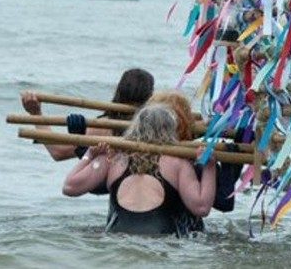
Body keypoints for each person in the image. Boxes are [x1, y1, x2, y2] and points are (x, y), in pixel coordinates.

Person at [62, 104, 217, 236]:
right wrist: (209, 167)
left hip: (116, 237)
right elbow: (201, 207)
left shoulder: (113, 158)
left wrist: (89, 155)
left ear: (134, 127)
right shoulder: (178, 164)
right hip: (163, 241)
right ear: (171, 130)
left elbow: (70, 187)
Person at [148, 89, 244, 221]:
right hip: (185, 233)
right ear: (186, 123)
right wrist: (231, 158)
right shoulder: (190, 162)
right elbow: (224, 202)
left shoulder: (134, 155)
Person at [21, 67, 155, 161]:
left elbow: (58, 151)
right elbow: (59, 152)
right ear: (150, 96)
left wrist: (36, 114)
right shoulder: (159, 128)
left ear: (119, 91)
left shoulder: (104, 127)